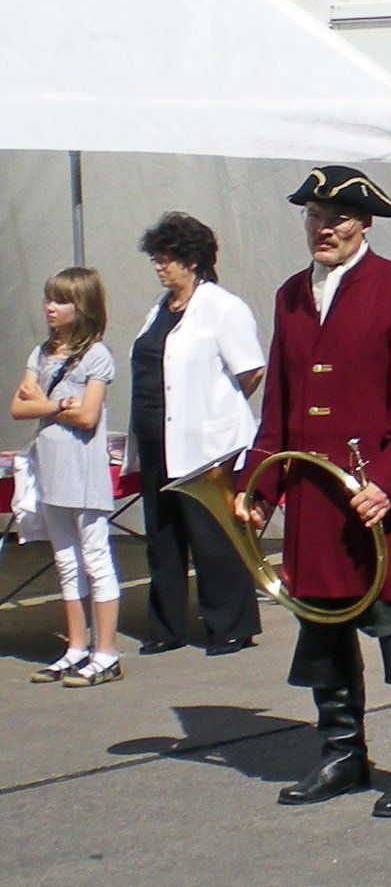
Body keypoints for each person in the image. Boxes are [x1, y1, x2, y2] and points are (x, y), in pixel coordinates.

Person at [233, 166, 391, 817]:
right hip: (313, 503)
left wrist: (390, 479)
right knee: (322, 631)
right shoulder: (290, 295)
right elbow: (279, 404)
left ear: (365, 224)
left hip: (373, 500)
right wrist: (259, 485)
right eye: (314, 218)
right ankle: (342, 753)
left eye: (337, 219)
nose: (323, 229)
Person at [131, 212, 265, 657]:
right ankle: (166, 627)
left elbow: (251, 371)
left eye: (165, 258)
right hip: (157, 440)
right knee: (163, 537)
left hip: (207, 446)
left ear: (191, 261)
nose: (158, 266)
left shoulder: (222, 307)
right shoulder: (158, 309)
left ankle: (231, 626)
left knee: (214, 538)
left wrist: (215, 409)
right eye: (156, 258)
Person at [10, 268, 123, 687]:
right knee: (66, 561)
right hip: (51, 472)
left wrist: (42, 402)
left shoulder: (96, 355)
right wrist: (57, 405)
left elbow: (88, 415)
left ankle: (106, 653)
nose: (50, 308)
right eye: (48, 299)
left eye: (60, 301)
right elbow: (19, 408)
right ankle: (76, 647)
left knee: (95, 558)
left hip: (84, 473)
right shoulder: (40, 354)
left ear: (83, 307)